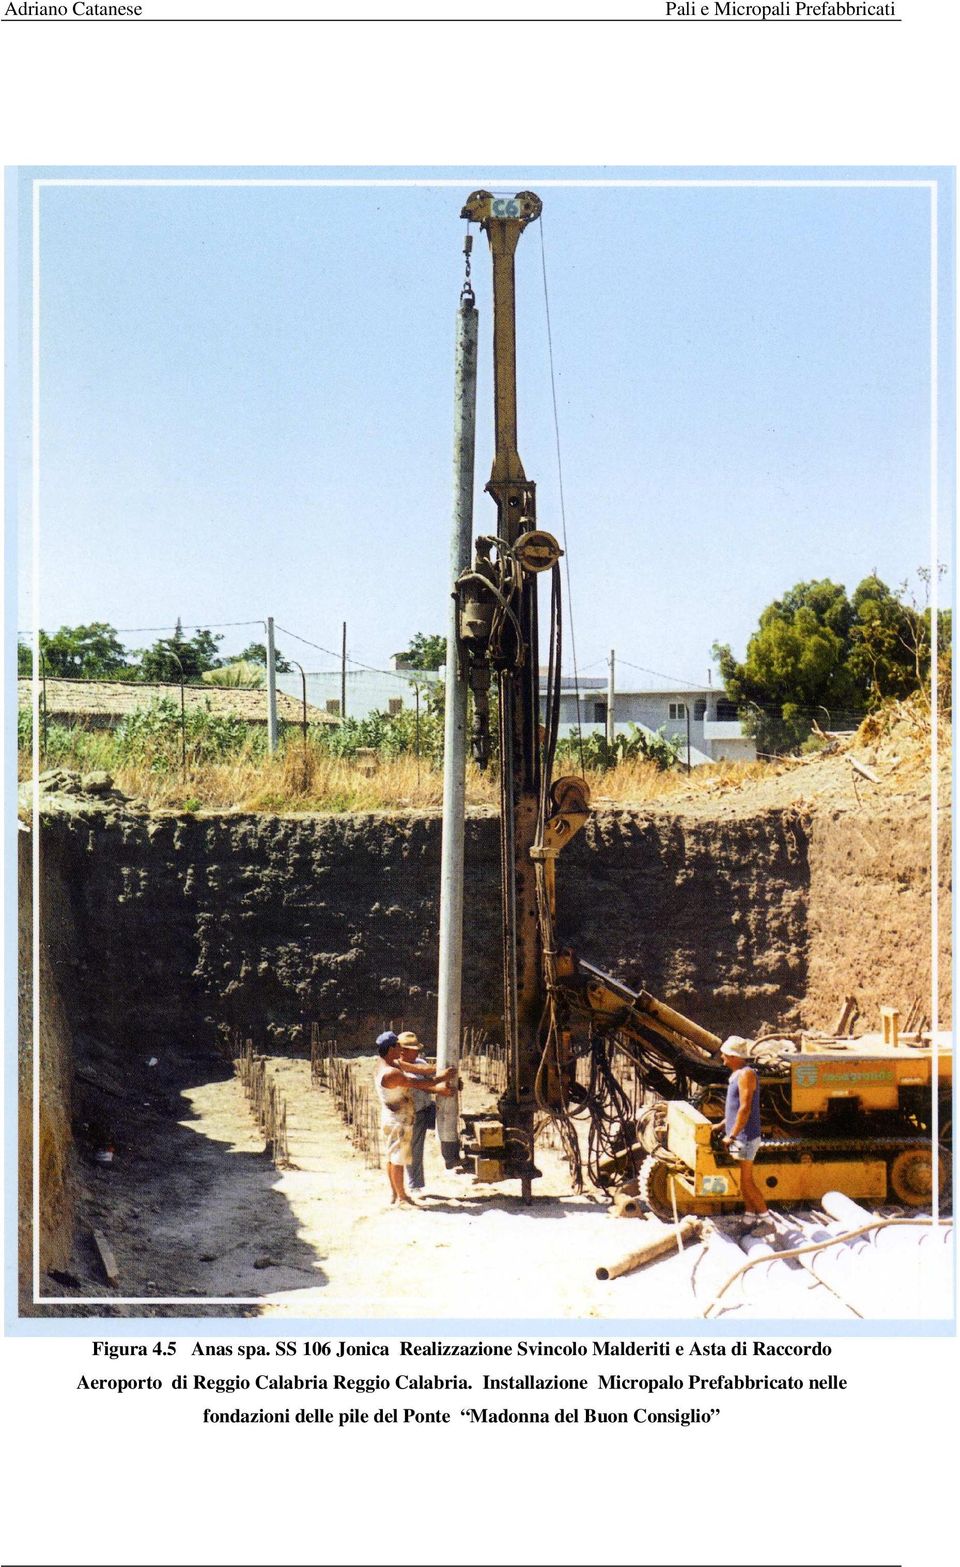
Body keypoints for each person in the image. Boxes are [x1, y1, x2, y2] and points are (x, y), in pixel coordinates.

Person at [373, 1031, 454, 1207]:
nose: (401, 1049)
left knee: (393, 1158)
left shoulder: (386, 1063)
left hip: (395, 1117)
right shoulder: (391, 1073)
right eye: (398, 1046)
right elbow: (418, 1083)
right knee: (398, 1160)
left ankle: (395, 1194)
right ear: (391, 1048)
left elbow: (417, 1069)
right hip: (398, 1120)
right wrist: (443, 1077)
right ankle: (402, 1196)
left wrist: (438, 1069)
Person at [719, 1035, 770, 1222]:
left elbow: (745, 1107)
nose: (722, 1059)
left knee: (747, 1183)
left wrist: (731, 1135)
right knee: (743, 1181)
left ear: (734, 1056)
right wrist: (722, 1125)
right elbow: (734, 1109)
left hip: (745, 1137)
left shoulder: (746, 1074)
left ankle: (767, 1221)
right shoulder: (737, 1075)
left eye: (724, 1055)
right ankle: (749, 1217)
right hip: (739, 1135)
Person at [397, 1031, 437, 1194]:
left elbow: (433, 1075)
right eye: (412, 1049)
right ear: (402, 1051)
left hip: (426, 1109)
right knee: (413, 1149)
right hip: (410, 1115)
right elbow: (421, 1085)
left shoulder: (419, 1062)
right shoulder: (398, 1070)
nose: (416, 1052)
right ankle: (415, 1185)